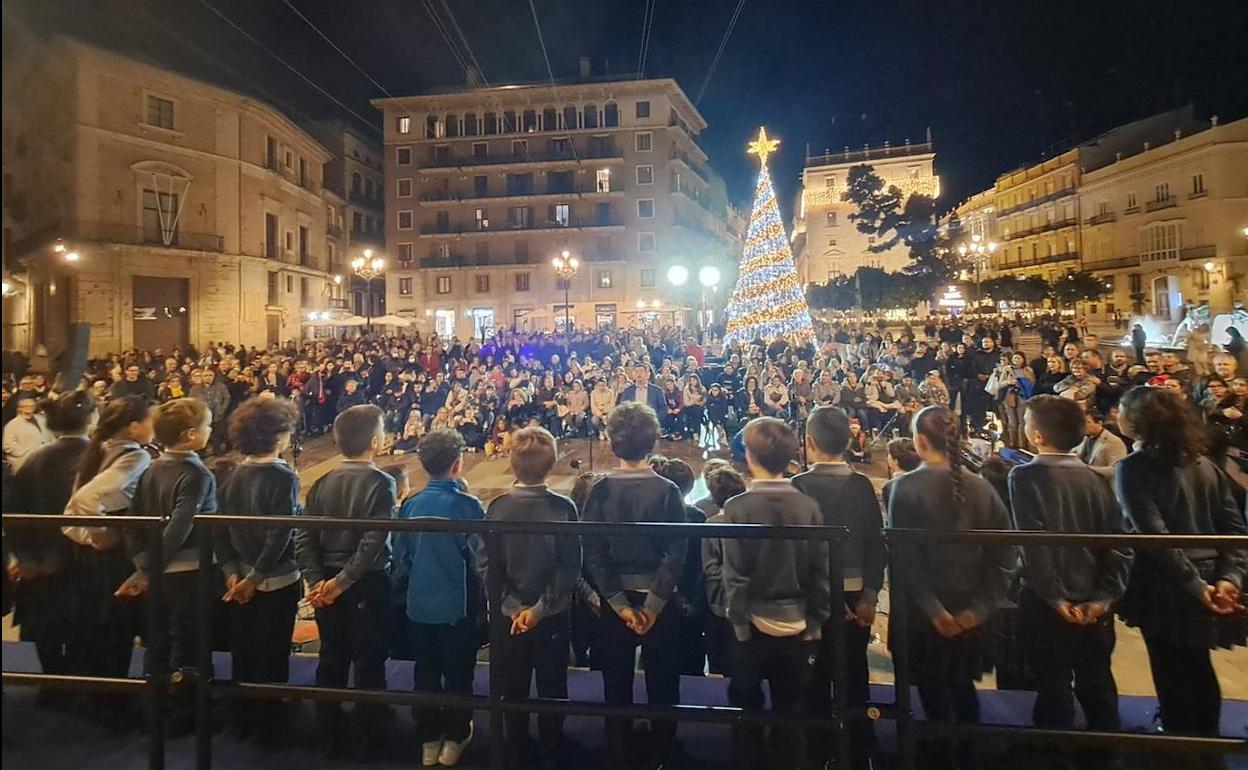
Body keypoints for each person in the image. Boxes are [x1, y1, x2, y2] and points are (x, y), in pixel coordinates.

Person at [1113, 386, 1247, 740]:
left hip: (1167, 582)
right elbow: (1234, 530)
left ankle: (1179, 743)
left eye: (1122, 408)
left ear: (1138, 421)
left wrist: (1197, 587)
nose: (1117, 414)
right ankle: (1206, 739)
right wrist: (1229, 578)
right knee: (1198, 664)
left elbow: (1155, 537)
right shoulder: (1204, 463)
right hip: (1209, 577)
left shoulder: (1133, 468)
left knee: (1170, 667)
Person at [886, 405, 1014, 770]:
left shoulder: (904, 488)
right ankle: (970, 755)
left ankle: (937, 756)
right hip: (970, 611)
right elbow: (1004, 555)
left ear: (920, 441)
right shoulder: (982, 487)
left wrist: (934, 610)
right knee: (962, 689)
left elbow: (904, 559)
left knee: (931, 694)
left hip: (924, 616)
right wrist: (980, 610)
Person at [1009, 395, 1132, 748]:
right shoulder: (1097, 478)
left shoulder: (1025, 475)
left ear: (1037, 435)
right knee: (1097, 682)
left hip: (1049, 602)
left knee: (1052, 685)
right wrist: (1105, 597)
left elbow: (1034, 545)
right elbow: (1120, 542)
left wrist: (1054, 596)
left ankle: (1054, 754)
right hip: (1094, 602)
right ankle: (1104, 751)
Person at [580, 402, 687, 770]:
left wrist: (617, 601)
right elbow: (676, 552)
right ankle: (663, 751)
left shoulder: (600, 490)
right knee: (663, 681)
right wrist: (655, 604)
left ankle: (618, 751)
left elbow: (593, 551)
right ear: (654, 441)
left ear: (611, 442)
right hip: (658, 602)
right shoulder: (669, 490)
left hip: (616, 604)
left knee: (616, 681)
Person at [721, 417, 830, 770]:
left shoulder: (737, 508)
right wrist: (815, 623)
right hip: (798, 626)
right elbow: (820, 572)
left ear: (749, 457)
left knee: (746, 716)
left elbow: (734, 576)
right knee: (790, 715)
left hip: (750, 629)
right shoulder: (808, 507)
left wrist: (739, 626)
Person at [294, 404, 396, 759]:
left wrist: (315, 581)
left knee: (332, 654)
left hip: (325, 586)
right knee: (369, 658)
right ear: (375, 441)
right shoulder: (381, 482)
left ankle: (329, 729)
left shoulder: (322, 482)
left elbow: (304, 536)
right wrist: (340, 583)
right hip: (364, 582)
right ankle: (372, 729)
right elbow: (372, 542)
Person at [478, 426, 580, 769]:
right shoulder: (563, 507)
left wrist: (510, 607)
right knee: (553, 683)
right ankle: (553, 746)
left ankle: (515, 746)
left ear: (511, 461)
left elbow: (487, 566)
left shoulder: (498, 506)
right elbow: (569, 567)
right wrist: (539, 609)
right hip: (550, 615)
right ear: (552, 464)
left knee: (512, 683)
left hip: (508, 618)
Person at [789, 406, 885, 768]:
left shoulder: (799, 485)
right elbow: (877, 545)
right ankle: (859, 750)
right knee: (855, 673)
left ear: (808, 442)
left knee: (814, 678)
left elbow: (800, 553)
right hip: (857, 597)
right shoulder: (861, 485)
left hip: (813, 600)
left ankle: (817, 751)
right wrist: (871, 594)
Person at [123, 397, 219, 734]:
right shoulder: (196, 474)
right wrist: (149, 566)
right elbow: (180, 526)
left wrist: (142, 563)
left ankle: (155, 706)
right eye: (208, 425)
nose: (211, 430)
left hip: (155, 570)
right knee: (188, 642)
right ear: (191, 434)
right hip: (188, 571)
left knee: (158, 639)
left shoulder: (151, 467)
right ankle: (184, 714)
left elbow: (134, 522)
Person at [392, 429, 485, 767]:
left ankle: (429, 739)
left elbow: (400, 560)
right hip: (457, 607)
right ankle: (457, 736)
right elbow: (479, 558)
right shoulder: (468, 505)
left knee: (425, 672)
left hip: (419, 605)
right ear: (458, 464)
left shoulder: (411, 504)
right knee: (459, 673)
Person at [215, 396, 302, 741]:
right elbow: (280, 532)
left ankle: (243, 716)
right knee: (273, 650)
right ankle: (270, 720)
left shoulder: (232, 474)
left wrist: (232, 572)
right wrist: (255, 578)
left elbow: (220, 527)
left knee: (245, 649)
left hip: (238, 579)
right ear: (280, 436)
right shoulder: (284, 477)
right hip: (275, 578)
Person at [61, 396, 154, 713]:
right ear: (133, 426)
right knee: (119, 629)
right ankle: (116, 702)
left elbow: (71, 508)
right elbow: (86, 499)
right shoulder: (133, 456)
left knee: (100, 628)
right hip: (117, 557)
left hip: (90, 559)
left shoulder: (97, 450)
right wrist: (101, 534)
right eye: (149, 420)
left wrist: (86, 537)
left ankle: (100, 696)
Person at [7, 392, 97, 684]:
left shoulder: (35, 459)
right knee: (86, 626)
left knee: (47, 627)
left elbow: (14, 514)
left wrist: (24, 558)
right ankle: (85, 684)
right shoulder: (101, 457)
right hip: (89, 560)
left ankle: (54, 683)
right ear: (93, 419)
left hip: (42, 558)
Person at [700, 465, 748, 676]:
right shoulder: (751, 521)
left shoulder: (711, 524)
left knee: (720, 663)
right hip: (745, 601)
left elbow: (710, 568)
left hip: (721, 604)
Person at [3, 394, 50, 472]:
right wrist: (26, 453)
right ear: (19, 408)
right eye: (26, 406)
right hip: (25, 463)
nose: (30, 408)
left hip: (44, 460)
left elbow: (50, 436)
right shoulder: (12, 425)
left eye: (32, 406)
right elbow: (8, 446)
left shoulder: (41, 420)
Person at [1077, 408, 1128, 479]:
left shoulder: (1113, 442)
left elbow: (1115, 470)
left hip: (1103, 485)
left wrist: (1087, 469)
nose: (1083, 426)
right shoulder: (1084, 439)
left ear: (1099, 423)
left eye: (1088, 422)